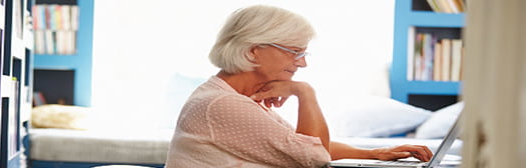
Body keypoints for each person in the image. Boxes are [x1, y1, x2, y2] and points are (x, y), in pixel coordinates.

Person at [165, 5, 433, 168]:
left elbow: (303, 145)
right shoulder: (222, 103)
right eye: (294, 52)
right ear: (254, 51)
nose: (302, 63)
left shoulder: (235, 97)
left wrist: (374, 153)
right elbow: (313, 157)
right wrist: (305, 92)